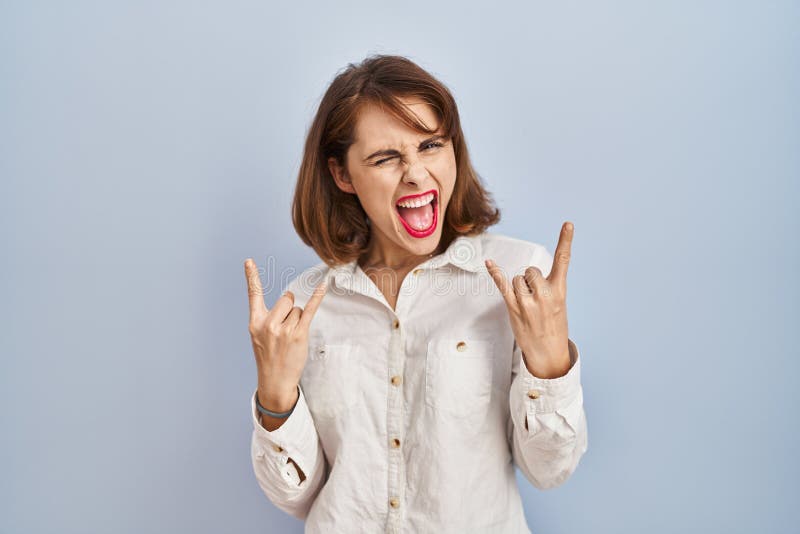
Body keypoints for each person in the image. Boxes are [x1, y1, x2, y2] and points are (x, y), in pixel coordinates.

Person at [244, 54, 588, 533]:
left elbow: (550, 470)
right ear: (342, 175)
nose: (416, 173)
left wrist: (549, 362)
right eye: (385, 158)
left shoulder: (517, 278)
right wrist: (275, 395)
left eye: (431, 145)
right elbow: (294, 497)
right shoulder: (304, 304)